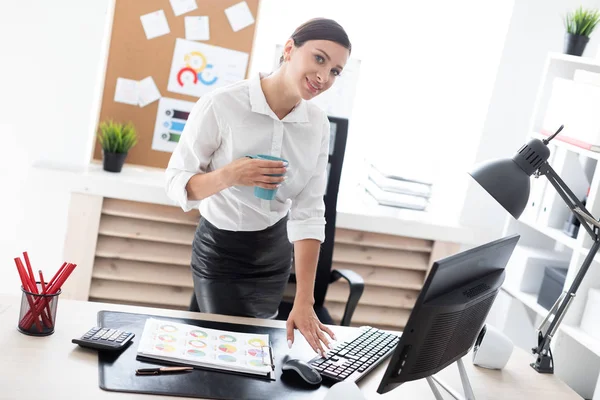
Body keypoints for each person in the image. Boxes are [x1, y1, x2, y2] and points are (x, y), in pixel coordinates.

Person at [165, 18, 351, 358]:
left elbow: (309, 212)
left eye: (336, 71)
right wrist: (230, 174)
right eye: (319, 59)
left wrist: (304, 300)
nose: (324, 77)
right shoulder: (222, 104)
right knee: (232, 355)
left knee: (240, 354)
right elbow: (176, 182)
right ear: (290, 49)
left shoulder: (316, 125)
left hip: (273, 256)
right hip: (221, 250)